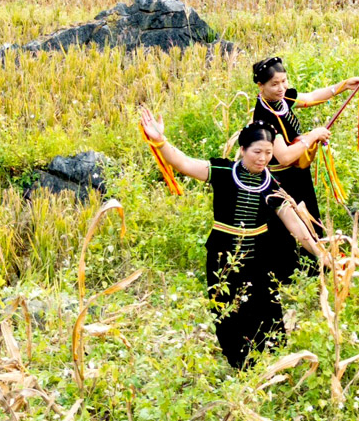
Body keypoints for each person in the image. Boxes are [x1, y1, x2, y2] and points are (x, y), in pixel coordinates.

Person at [138, 108, 325, 369]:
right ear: (243, 149)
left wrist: (322, 254)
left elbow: (297, 227)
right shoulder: (223, 172)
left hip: (259, 258)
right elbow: (182, 163)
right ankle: (240, 367)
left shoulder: (272, 185)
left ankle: (270, 367)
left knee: (266, 310)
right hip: (222, 256)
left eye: (268, 153)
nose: (263, 158)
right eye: (257, 152)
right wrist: (160, 140)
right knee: (227, 312)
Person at [251, 57, 359, 277]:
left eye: (284, 81)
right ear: (261, 86)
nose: (281, 88)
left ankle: (316, 267)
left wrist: (343, 85)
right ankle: (291, 275)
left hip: (298, 175)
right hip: (281, 181)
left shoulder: (282, 99)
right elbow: (283, 156)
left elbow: (312, 98)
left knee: (310, 220)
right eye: (274, 84)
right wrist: (312, 136)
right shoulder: (264, 117)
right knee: (290, 228)